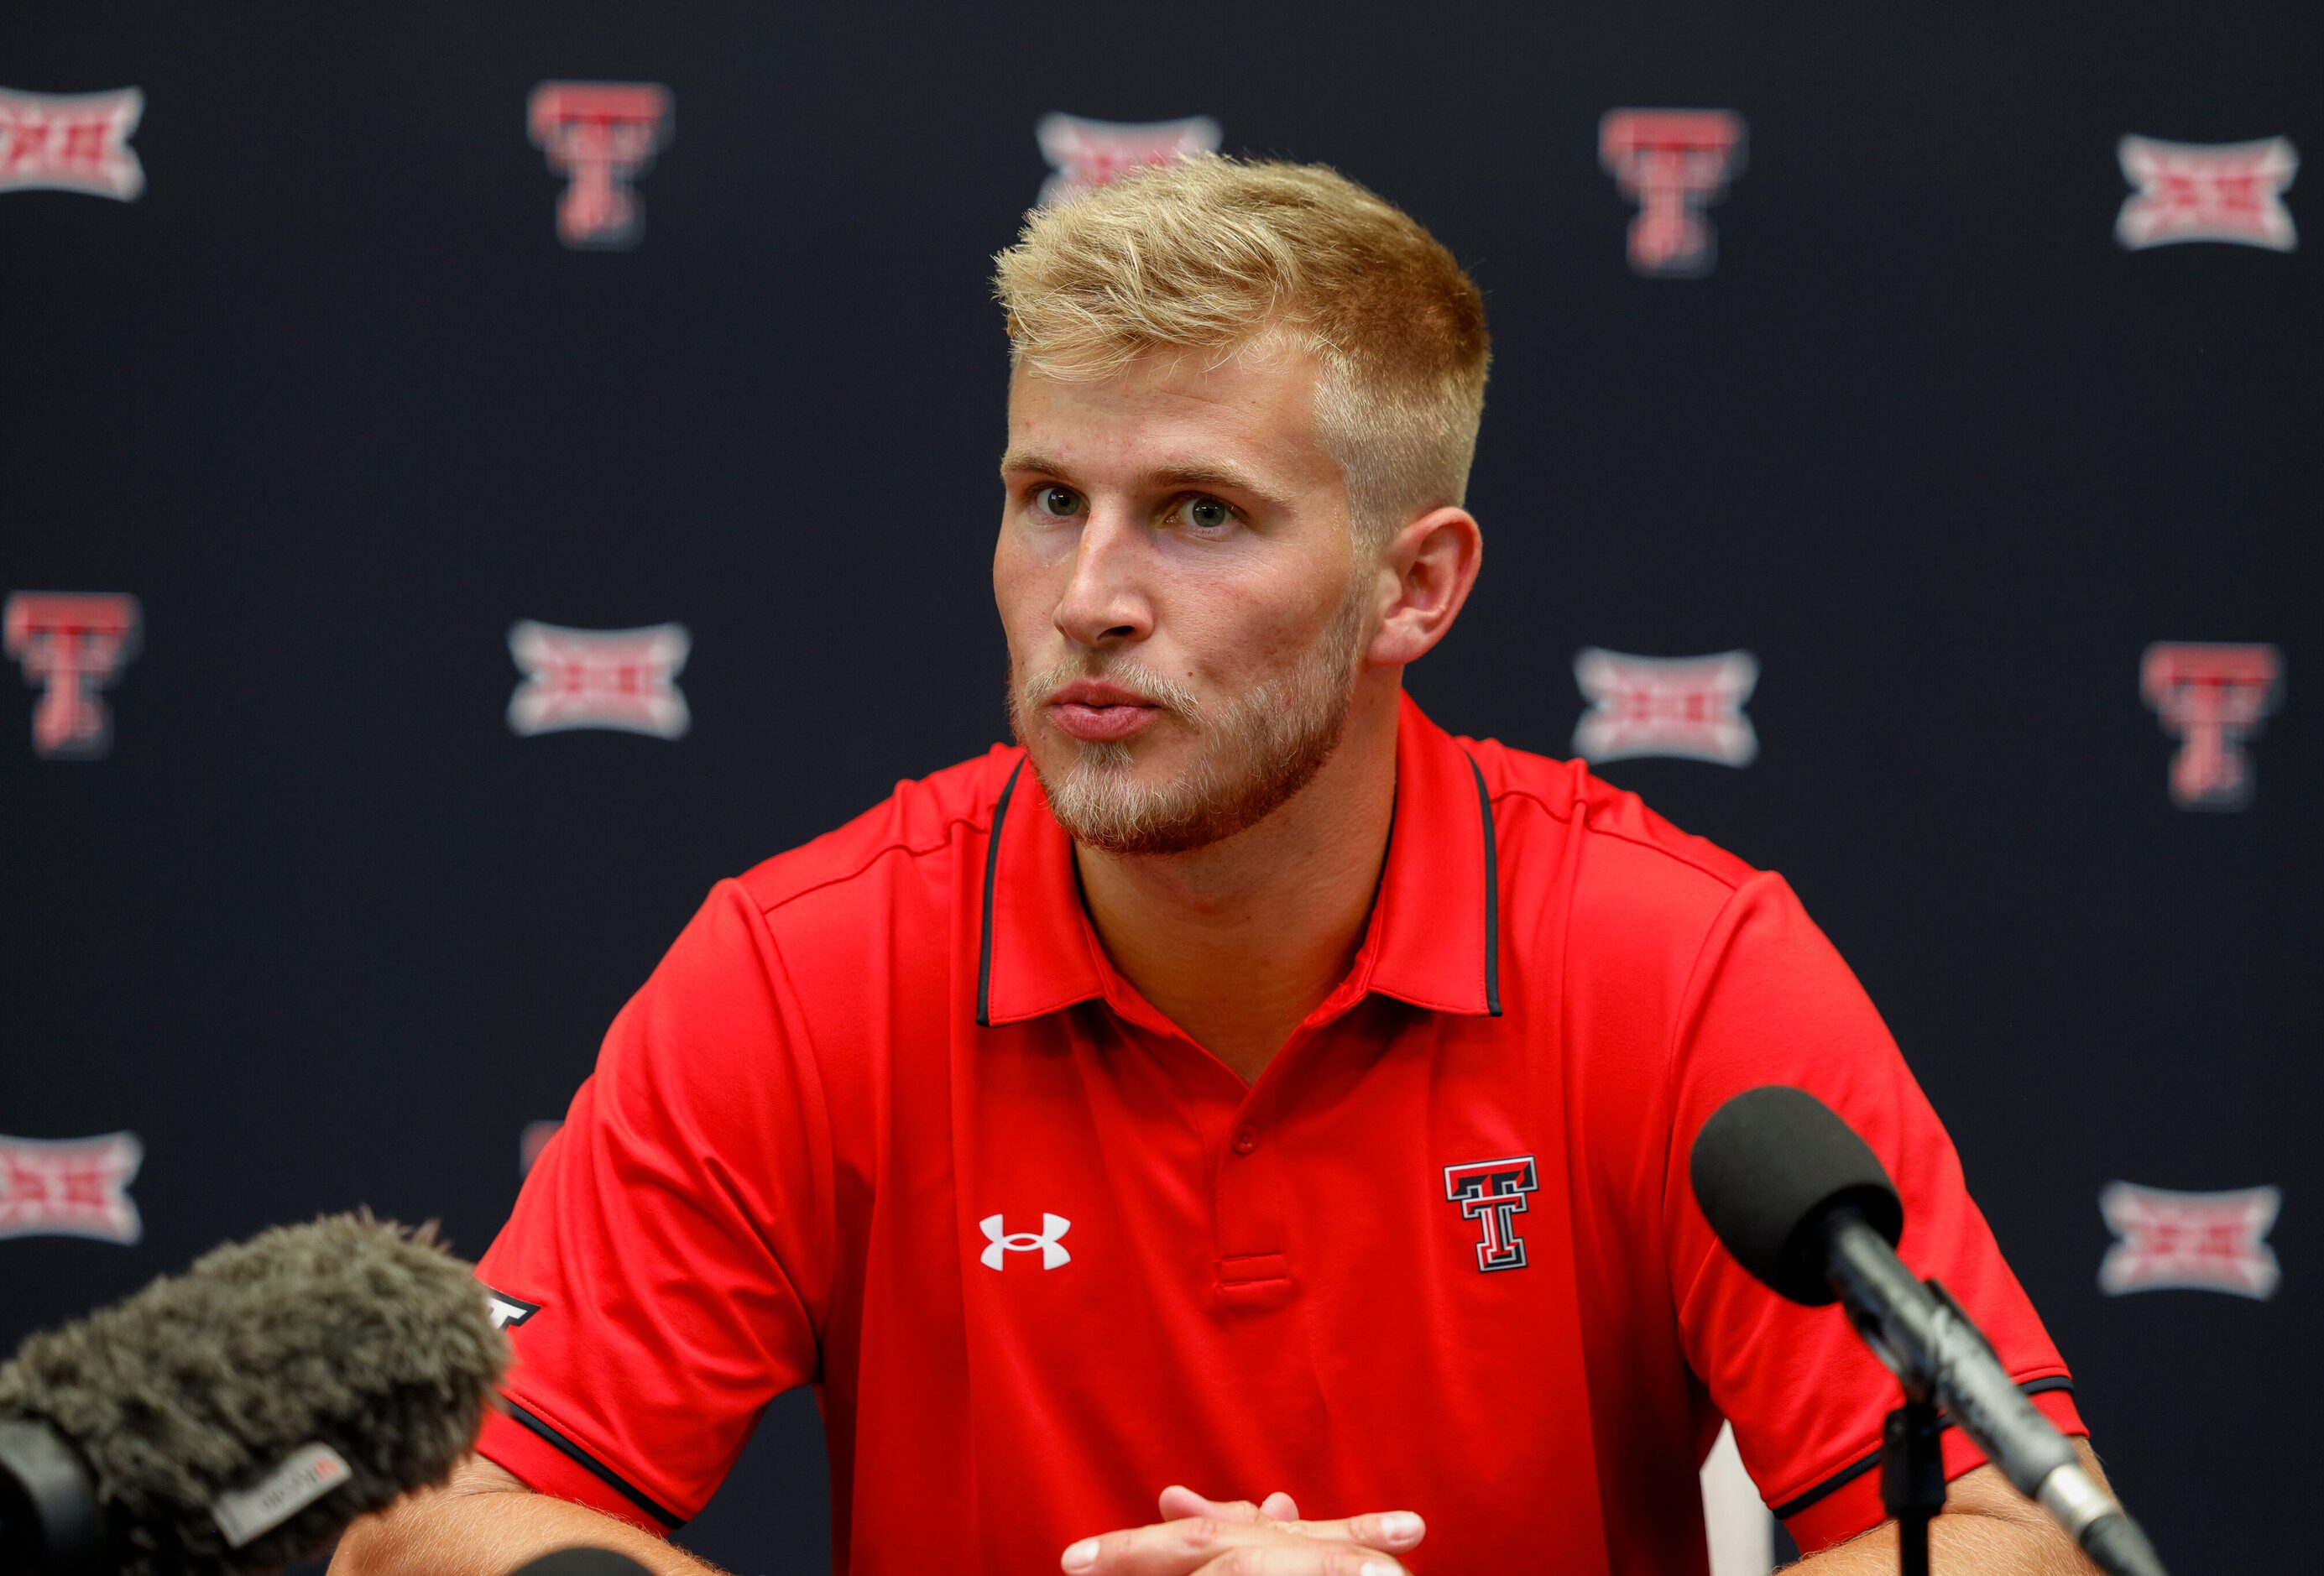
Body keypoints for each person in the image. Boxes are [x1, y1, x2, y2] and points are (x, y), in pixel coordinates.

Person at [335, 157, 2111, 1575]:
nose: (1091, 597)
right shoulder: (811, 966)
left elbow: (2010, 1534)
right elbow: (432, 1522)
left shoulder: (1674, 956)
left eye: (1199, 512)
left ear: (1415, 588)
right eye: (1048, 498)